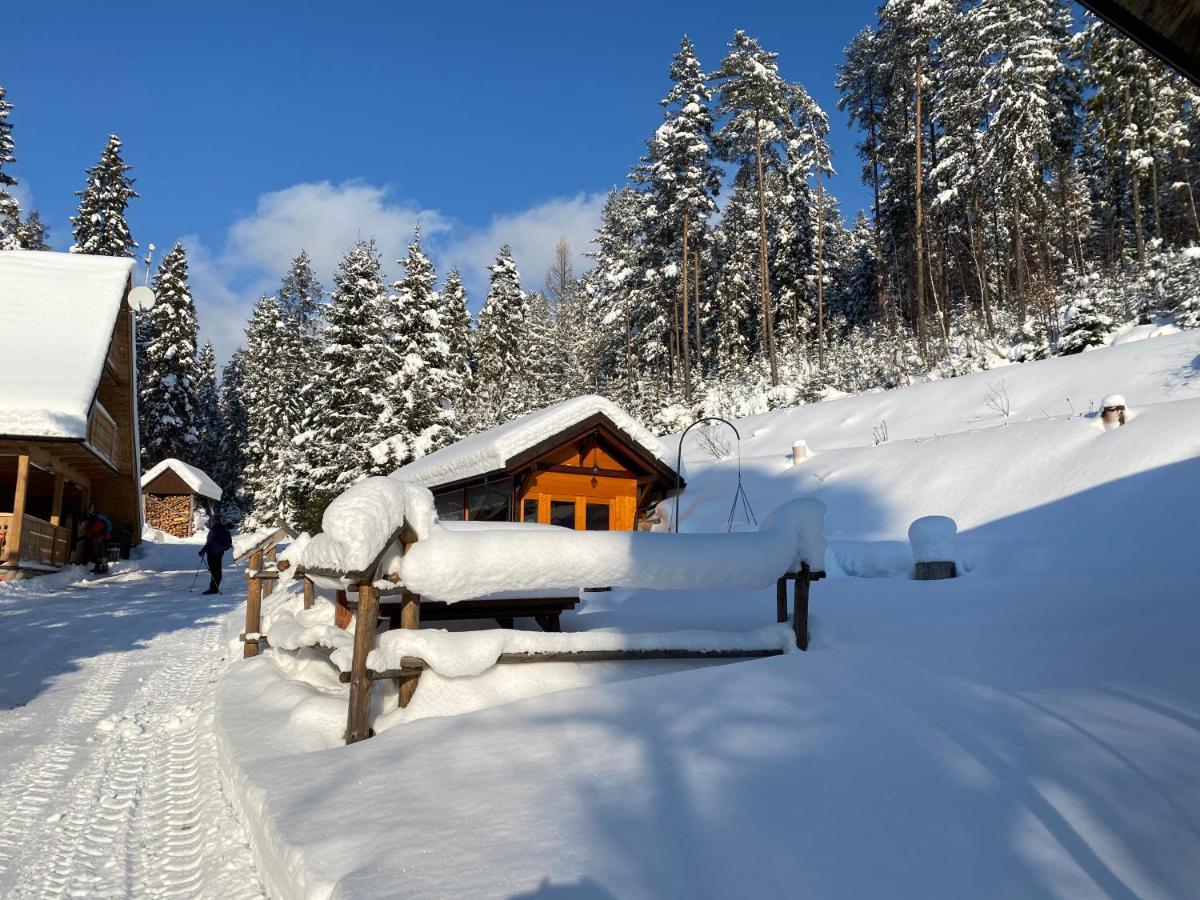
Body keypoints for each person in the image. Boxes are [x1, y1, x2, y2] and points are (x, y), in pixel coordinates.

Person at [198, 512, 233, 595]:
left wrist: (202, 551)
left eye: (211, 519)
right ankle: (215, 587)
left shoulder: (215, 528)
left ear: (215, 520)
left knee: (214, 571)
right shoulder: (223, 528)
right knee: (217, 570)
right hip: (220, 552)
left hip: (213, 552)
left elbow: (210, 541)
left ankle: (214, 588)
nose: (210, 521)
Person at [84, 506, 113, 574]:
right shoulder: (90, 519)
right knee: (96, 552)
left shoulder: (100, 517)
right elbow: (90, 529)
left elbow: (109, 524)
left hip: (103, 536)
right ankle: (98, 566)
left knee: (102, 551)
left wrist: (106, 532)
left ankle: (104, 567)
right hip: (96, 537)